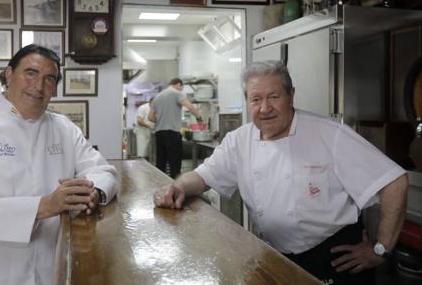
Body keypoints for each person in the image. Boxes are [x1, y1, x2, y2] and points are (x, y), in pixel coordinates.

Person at [153, 60, 408, 285]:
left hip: (334, 257)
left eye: (274, 97)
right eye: (256, 99)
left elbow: (394, 182)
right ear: (247, 102)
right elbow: (202, 176)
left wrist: (380, 250)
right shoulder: (239, 140)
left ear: (291, 95)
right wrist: (178, 187)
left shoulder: (329, 134)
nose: (265, 108)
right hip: (274, 254)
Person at [0, 44, 118, 285]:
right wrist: (43, 206)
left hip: (46, 269)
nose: (39, 86)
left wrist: (93, 191)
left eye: (49, 79)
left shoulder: (63, 128)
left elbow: (103, 171)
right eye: (30, 73)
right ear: (9, 75)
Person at [149, 78, 203, 178]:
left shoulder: (157, 97)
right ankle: (175, 188)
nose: (181, 90)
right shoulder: (176, 93)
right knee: (174, 163)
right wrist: (199, 118)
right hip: (172, 133)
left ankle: (160, 186)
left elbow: (150, 117)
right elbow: (190, 107)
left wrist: (161, 120)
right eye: (181, 88)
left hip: (159, 134)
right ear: (178, 84)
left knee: (161, 163)